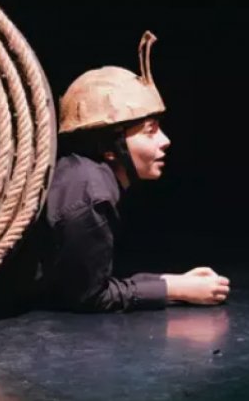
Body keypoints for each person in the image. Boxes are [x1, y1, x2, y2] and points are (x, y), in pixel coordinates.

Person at [32, 30, 231, 312]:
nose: (165, 141)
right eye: (150, 131)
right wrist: (176, 289)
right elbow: (90, 296)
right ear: (110, 147)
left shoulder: (85, 176)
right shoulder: (91, 194)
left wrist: (170, 281)